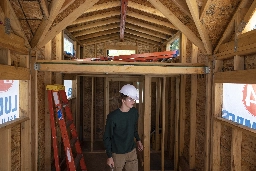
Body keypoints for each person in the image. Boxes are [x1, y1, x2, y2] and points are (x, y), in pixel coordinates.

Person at [103, 84, 144, 171]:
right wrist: (109, 156)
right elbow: (107, 137)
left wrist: (138, 140)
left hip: (131, 151)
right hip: (118, 153)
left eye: (133, 99)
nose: (133, 101)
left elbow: (133, 128)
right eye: (130, 99)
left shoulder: (134, 112)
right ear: (123, 100)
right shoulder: (113, 117)